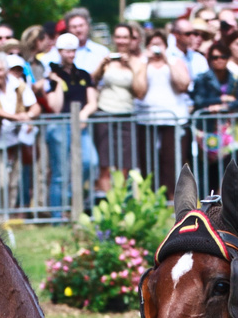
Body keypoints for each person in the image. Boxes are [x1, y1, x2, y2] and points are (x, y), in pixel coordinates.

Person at [0, 52, 41, 208]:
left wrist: (28, 115)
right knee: (0, 182)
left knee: (14, 182)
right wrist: (15, 117)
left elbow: (35, 106)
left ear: (6, 70)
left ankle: (7, 217)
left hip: (16, 139)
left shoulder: (18, 84)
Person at [134, 28, 190, 193]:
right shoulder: (141, 63)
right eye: (153, 45)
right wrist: (145, 61)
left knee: (171, 162)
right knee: (148, 162)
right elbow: (139, 90)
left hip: (173, 119)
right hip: (147, 119)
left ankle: (173, 199)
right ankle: (151, 198)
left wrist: (167, 60)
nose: (156, 48)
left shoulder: (175, 61)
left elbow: (183, 85)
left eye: (159, 45)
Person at [45, 33, 96, 215]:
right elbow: (55, 107)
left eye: (73, 50)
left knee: (90, 162)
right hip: (59, 127)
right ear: (59, 51)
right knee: (60, 173)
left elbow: (92, 102)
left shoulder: (83, 74)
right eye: (67, 51)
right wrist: (57, 83)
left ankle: (73, 202)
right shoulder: (52, 75)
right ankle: (57, 216)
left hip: (79, 127)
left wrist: (83, 115)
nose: (71, 54)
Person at [92, 24, 141, 193]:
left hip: (126, 114)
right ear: (114, 38)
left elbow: (139, 91)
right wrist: (101, 64)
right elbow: (92, 80)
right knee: (105, 163)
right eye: (118, 37)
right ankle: (109, 204)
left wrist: (132, 68)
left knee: (124, 165)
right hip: (105, 113)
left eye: (125, 37)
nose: (121, 41)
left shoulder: (137, 62)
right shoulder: (106, 58)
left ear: (131, 39)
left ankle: (120, 204)